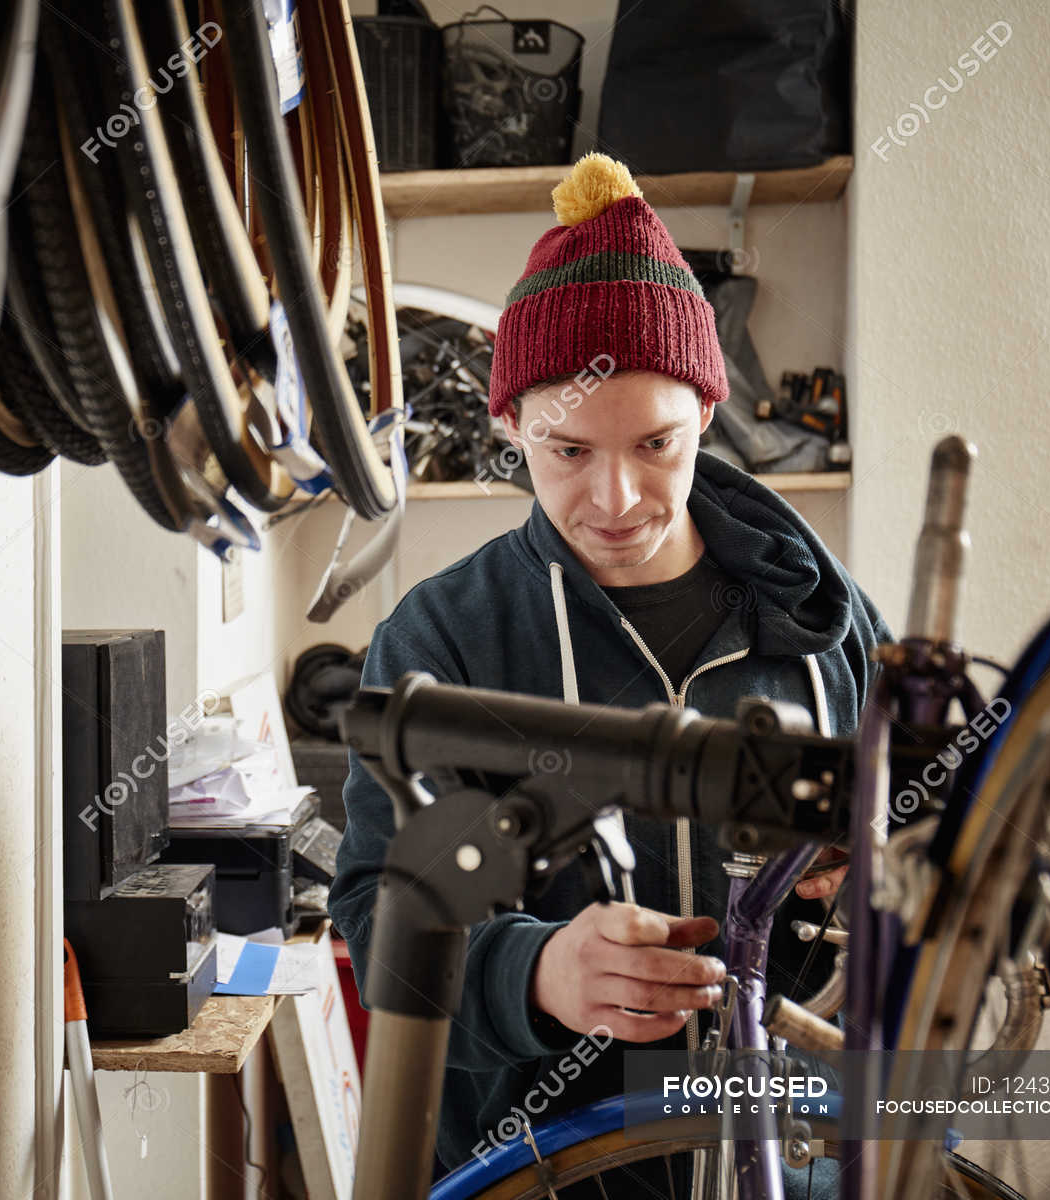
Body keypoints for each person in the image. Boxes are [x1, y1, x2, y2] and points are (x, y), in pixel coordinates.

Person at [327, 153, 893, 1195]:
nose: (619, 496)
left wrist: (883, 865)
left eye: (657, 443)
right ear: (508, 431)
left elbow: (929, 831)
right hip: (545, 1170)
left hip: (805, 1163)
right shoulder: (442, 641)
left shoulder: (830, 618)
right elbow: (373, 922)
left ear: (709, 409)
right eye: (567, 450)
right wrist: (536, 973)